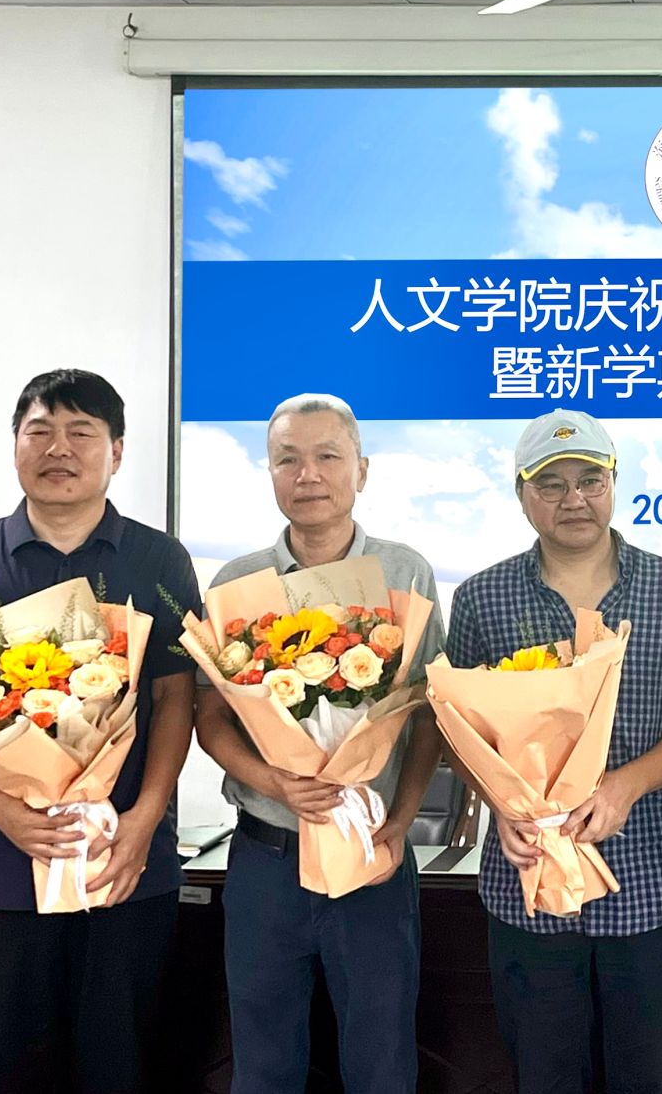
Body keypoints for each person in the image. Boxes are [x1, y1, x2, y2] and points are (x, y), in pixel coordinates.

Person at [0, 369, 198, 1094]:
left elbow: (176, 696)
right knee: (7, 1068)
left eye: (80, 433)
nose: (58, 449)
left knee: (120, 1066)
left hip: (121, 864)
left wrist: (145, 819)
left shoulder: (160, 559)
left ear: (117, 451)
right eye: (39, 431)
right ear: (15, 445)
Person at [445, 408, 662, 1094]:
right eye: (552, 483)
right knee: (543, 1075)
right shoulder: (482, 598)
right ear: (522, 493)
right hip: (528, 884)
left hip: (650, 878)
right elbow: (457, 732)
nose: (574, 499)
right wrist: (500, 805)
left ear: (614, 483)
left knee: (654, 1077)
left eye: (590, 480)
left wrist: (627, 784)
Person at [195, 393, 444, 1093]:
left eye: (327, 456)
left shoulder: (405, 572)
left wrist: (402, 821)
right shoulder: (237, 582)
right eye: (288, 459)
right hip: (266, 856)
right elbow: (210, 717)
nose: (308, 474)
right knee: (263, 1064)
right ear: (270, 472)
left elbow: (429, 714)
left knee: (381, 1062)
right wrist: (274, 780)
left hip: (372, 855)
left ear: (361, 469)